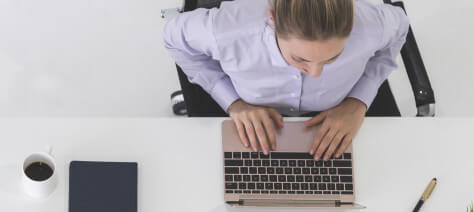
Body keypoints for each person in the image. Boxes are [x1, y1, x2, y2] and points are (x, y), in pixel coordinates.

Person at [163, 0, 409, 161]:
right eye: (300, 58)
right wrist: (233, 101)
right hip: (249, 128)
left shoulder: (371, 25)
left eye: (332, 58)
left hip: (336, 118)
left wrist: (358, 101)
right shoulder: (227, 31)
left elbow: (401, 28)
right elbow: (173, 38)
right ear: (274, 19)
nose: (315, 73)